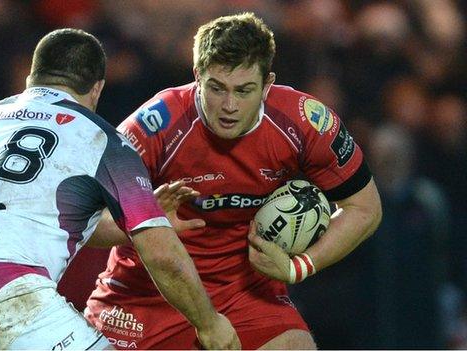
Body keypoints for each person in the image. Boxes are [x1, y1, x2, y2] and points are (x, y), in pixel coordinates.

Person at [0, 28, 240, 350]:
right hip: (4, 297)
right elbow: (162, 254)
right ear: (97, 87)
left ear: (31, 77)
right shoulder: (103, 140)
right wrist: (209, 323)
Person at [84, 13, 382, 349]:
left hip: (244, 292)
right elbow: (85, 222)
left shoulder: (303, 122)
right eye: (217, 88)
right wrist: (142, 221)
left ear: (267, 84)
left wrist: (300, 267)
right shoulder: (153, 127)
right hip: (146, 294)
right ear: (197, 76)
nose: (229, 105)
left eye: (244, 90)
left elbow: (364, 207)